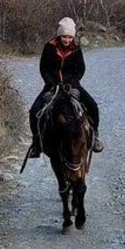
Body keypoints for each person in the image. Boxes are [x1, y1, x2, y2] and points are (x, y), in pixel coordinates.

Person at [28, 17, 103, 158]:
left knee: (92, 105)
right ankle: (36, 143)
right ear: (59, 35)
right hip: (52, 86)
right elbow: (44, 68)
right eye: (64, 36)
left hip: (72, 85)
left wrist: (72, 82)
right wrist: (51, 82)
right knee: (34, 111)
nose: (67, 40)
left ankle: (96, 136)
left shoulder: (76, 49)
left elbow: (80, 69)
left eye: (69, 37)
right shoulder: (49, 47)